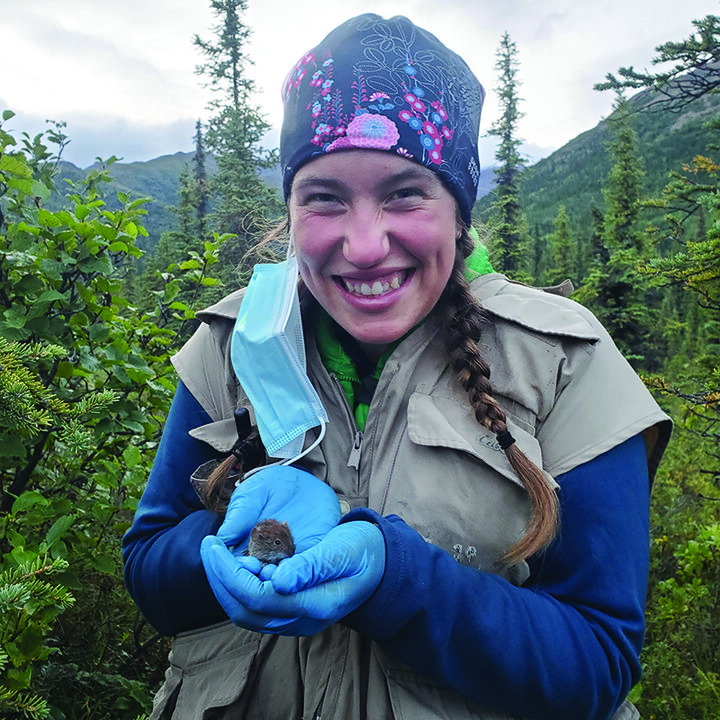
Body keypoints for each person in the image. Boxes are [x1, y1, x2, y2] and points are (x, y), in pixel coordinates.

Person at [123, 13, 671, 720]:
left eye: (404, 193)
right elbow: (148, 571)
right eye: (324, 197)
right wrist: (216, 546)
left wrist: (396, 580)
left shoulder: (563, 361)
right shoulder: (234, 342)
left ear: (458, 209)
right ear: (291, 210)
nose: (364, 244)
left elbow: (599, 659)